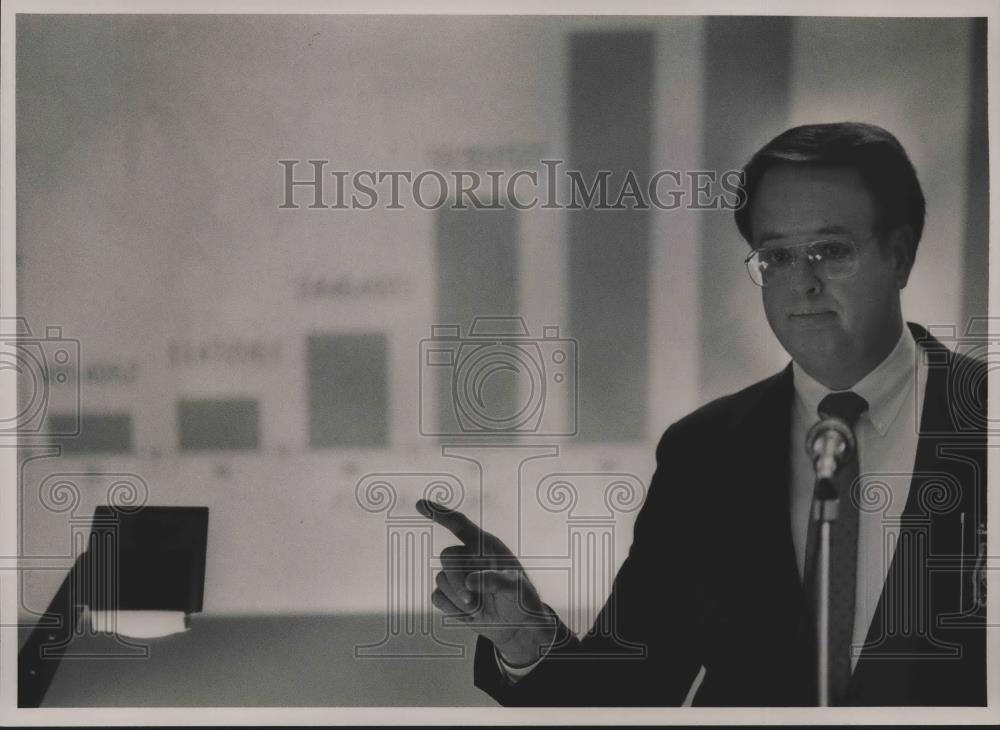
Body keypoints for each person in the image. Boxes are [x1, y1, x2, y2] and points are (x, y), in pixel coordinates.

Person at [416, 122, 986, 706]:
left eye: (830, 251)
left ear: (900, 255)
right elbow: (627, 695)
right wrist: (524, 634)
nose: (802, 283)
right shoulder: (704, 451)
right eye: (776, 257)